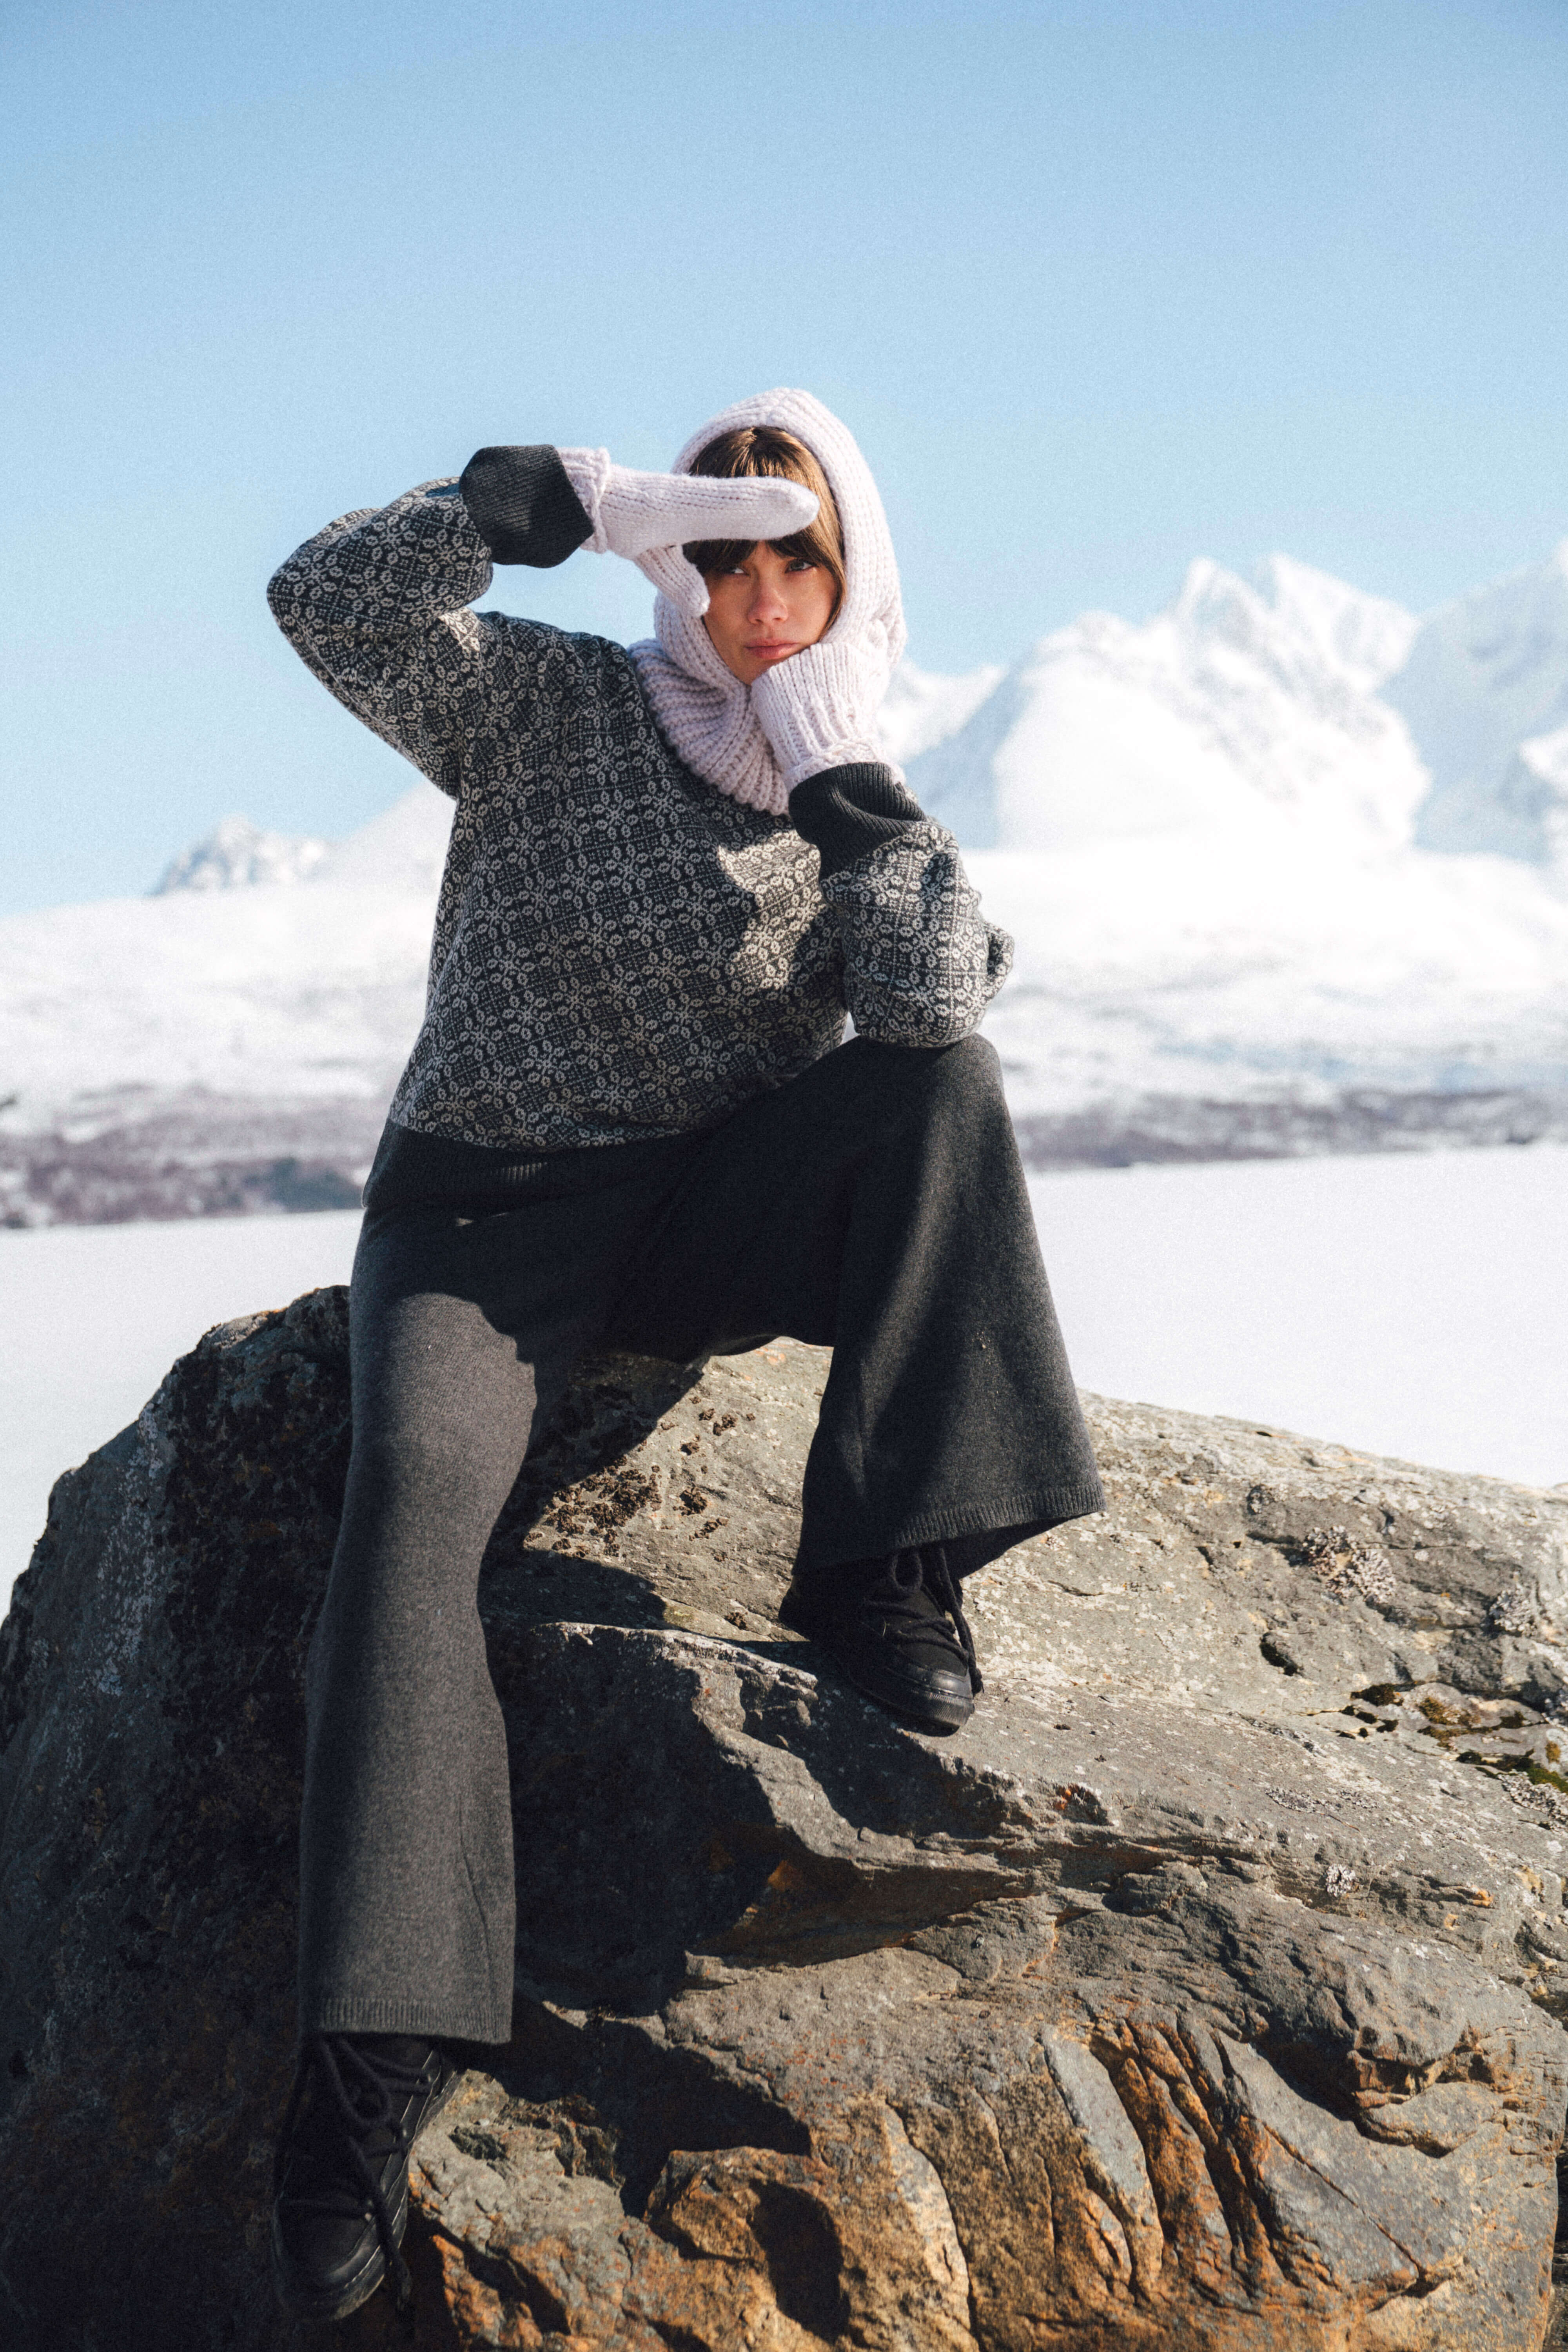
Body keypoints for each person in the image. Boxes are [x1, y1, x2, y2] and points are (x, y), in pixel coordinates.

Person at [263, 388, 1104, 2323]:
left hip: (699, 1219)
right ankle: (373, 2056)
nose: (756, 597)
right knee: (407, 1531)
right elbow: (326, 601)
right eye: (718, 555)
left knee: (946, 1089)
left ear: (854, 573)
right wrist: (539, 502)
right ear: (673, 563)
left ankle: (884, 1567)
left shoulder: (853, 790)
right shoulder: (548, 704)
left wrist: (840, 779)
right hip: (479, 1230)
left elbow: (929, 1009)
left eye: (798, 556)